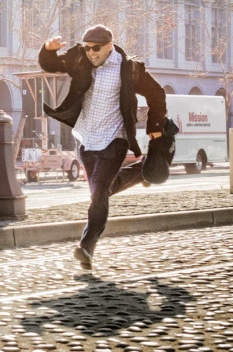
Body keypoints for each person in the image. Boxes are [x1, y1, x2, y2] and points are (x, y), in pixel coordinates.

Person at [38, 24, 167, 270]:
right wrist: (48, 50)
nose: (91, 53)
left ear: (109, 46)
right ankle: (141, 171)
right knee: (102, 191)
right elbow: (51, 65)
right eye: (87, 49)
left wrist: (155, 126)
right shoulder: (80, 58)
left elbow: (156, 93)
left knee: (97, 195)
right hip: (87, 140)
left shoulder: (129, 68)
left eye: (96, 49)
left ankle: (87, 246)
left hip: (114, 140)